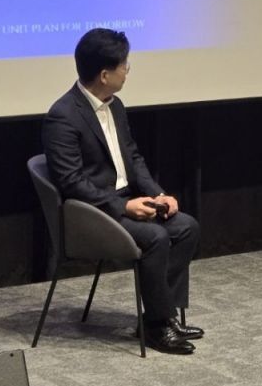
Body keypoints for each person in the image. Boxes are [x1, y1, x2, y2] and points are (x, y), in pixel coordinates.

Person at [42, 28, 202, 354]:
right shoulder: (63, 116)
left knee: (186, 227)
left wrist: (158, 194)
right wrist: (124, 207)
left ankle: (161, 314)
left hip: (127, 199)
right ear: (105, 75)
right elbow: (71, 182)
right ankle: (158, 325)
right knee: (155, 237)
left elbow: (133, 157)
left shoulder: (115, 106)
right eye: (124, 65)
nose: (127, 70)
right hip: (93, 212)